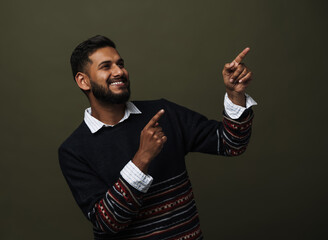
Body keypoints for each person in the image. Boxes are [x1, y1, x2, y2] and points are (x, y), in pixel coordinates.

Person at [59, 35, 257, 239]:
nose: (119, 71)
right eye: (106, 66)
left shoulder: (163, 113)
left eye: (121, 64)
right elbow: (107, 223)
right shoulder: (73, 151)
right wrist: (142, 158)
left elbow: (232, 144)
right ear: (83, 81)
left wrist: (235, 94)